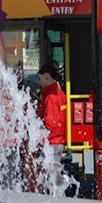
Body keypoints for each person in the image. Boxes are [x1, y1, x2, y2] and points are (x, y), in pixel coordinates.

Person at [23, 63, 67, 193]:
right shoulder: (59, 94)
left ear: (47, 77)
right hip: (57, 141)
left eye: (41, 79)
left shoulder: (51, 98)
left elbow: (51, 123)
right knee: (55, 177)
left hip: (51, 143)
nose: (39, 82)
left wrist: (36, 126)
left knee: (51, 179)